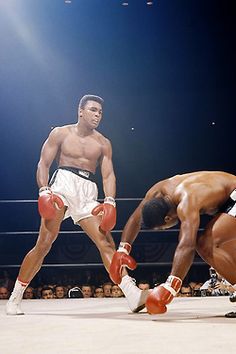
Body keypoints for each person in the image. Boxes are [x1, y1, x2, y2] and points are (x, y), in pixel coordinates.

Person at [6, 94, 147, 315]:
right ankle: (15, 297)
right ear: (80, 111)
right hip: (62, 184)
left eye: (100, 112)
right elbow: (43, 163)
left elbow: (108, 175)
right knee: (44, 243)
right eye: (93, 110)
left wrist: (110, 201)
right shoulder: (60, 133)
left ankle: (131, 294)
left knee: (105, 242)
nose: (97, 115)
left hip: (87, 191)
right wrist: (43, 190)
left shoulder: (103, 143)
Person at [109, 171, 236, 314]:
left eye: (163, 228)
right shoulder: (158, 190)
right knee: (209, 244)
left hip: (233, 195)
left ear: (167, 219)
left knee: (206, 244)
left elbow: (187, 245)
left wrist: (171, 286)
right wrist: (123, 249)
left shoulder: (186, 201)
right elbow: (135, 219)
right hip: (228, 200)